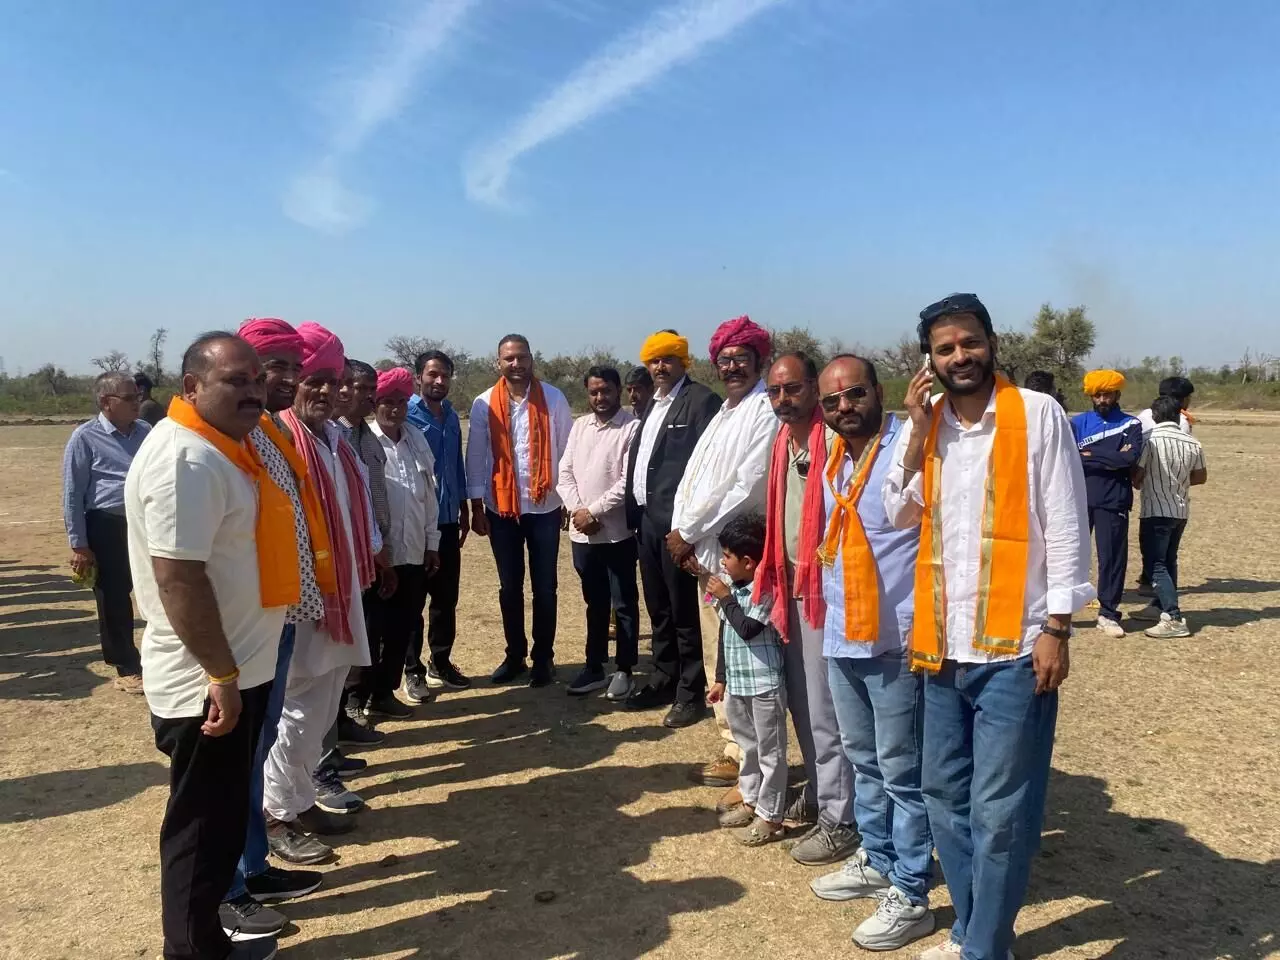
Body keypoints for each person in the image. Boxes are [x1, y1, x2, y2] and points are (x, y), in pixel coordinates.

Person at [885, 293, 1093, 960]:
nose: (960, 357)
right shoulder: (929, 426)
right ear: (929, 360)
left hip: (1015, 649)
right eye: (944, 349)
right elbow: (896, 512)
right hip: (942, 648)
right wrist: (915, 430)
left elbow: (1066, 521)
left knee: (999, 811)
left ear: (992, 343)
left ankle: (985, 948)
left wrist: (1057, 626)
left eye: (969, 342)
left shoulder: (1035, 413)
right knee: (944, 796)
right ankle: (973, 930)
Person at [125, 331, 288, 960]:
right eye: (235, 381)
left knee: (218, 826)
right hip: (208, 685)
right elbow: (179, 579)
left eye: (257, 380)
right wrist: (220, 673)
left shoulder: (223, 449)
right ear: (192, 386)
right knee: (201, 832)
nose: (254, 392)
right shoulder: (185, 460)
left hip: (235, 674)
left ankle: (204, 944)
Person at [807, 355, 934, 952]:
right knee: (864, 759)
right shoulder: (835, 456)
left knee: (903, 771)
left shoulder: (909, 443)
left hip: (893, 638)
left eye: (854, 394)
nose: (844, 408)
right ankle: (878, 858)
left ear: (878, 392)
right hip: (844, 632)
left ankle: (911, 890)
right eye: (832, 401)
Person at [220, 318, 336, 937]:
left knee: (257, 746)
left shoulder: (269, 431)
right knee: (236, 758)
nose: (289, 377)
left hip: (279, 614)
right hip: (246, 623)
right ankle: (230, 888)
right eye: (276, 365)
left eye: (295, 365)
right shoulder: (227, 437)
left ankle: (253, 866)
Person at [263, 323, 377, 861]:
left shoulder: (333, 439)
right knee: (298, 708)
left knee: (324, 703)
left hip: (340, 591)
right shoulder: (280, 436)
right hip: (304, 599)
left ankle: (300, 799)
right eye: (316, 379)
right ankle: (274, 813)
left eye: (334, 381)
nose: (327, 391)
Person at [752, 352, 857, 867]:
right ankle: (818, 792)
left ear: (814, 388)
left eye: (792, 388)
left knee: (824, 710)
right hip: (790, 584)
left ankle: (842, 818)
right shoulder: (783, 442)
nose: (782, 399)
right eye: (774, 391)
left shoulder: (833, 439)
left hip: (825, 590)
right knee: (799, 701)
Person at [665, 316, 779, 735]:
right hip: (704, 551)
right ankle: (730, 739)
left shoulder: (764, 410)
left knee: (737, 652)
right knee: (718, 647)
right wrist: (681, 532)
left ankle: (740, 746)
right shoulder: (724, 412)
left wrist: (688, 533)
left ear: (759, 361)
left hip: (733, 554)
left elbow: (747, 487)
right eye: (725, 360)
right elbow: (693, 479)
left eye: (741, 358)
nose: (732, 367)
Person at [624, 330, 722, 722]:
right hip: (647, 521)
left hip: (678, 527)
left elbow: (708, 469)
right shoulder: (654, 402)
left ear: (684, 361)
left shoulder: (701, 401)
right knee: (659, 608)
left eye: (667, 359)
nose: (660, 367)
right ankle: (664, 677)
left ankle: (691, 691)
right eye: (654, 361)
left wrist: (688, 528)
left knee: (684, 612)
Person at [465, 334, 574, 687]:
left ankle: (544, 658)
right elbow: (477, 454)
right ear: (499, 362)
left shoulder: (554, 398)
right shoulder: (484, 403)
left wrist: (567, 498)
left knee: (545, 587)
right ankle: (515, 656)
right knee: (509, 587)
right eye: (509, 358)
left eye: (522, 357)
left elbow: (566, 451)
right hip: (501, 508)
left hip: (545, 506)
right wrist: (476, 504)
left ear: (531, 360)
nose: (516, 364)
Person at [355, 368, 441, 720]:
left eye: (401, 402)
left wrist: (432, 543)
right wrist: (377, 552)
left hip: (414, 551)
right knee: (370, 628)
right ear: (375, 403)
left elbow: (429, 495)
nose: (394, 409)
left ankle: (384, 694)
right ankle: (355, 699)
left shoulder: (416, 439)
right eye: (387, 401)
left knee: (403, 626)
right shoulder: (364, 441)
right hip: (378, 555)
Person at [62, 371, 151, 693]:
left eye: (137, 396)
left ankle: (162, 660)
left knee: (159, 589)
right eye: (128, 398)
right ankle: (126, 666)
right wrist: (79, 544)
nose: (136, 403)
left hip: (146, 522)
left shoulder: (146, 432)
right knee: (113, 597)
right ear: (105, 402)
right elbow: (73, 493)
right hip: (107, 524)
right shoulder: (84, 437)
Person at [556, 365, 641, 699]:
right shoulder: (580, 426)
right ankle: (594, 666)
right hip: (583, 535)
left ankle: (624, 669)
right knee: (595, 601)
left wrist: (593, 511)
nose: (600, 397)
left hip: (617, 533)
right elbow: (564, 473)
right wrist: (578, 511)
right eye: (594, 392)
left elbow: (627, 482)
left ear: (618, 391)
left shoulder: (631, 428)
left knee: (624, 602)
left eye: (606, 391)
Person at [704, 514, 788, 846]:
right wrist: (720, 679)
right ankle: (751, 799)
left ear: (749, 562)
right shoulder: (732, 588)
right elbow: (726, 633)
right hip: (737, 684)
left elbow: (748, 629)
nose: (722, 563)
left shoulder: (764, 589)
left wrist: (726, 597)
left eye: (727, 556)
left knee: (771, 751)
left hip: (764, 684)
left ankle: (771, 816)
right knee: (748, 746)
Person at [338, 359, 405, 724]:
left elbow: (376, 501)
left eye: (370, 389)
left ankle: (373, 695)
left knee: (375, 629)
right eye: (360, 388)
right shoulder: (334, 436)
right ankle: (348, 706)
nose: (367, 396)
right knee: (350, 635)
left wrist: (384, 554)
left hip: (376, 551)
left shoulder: (368, 438)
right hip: (347, 555)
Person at [405, 349, 471, 695]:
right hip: (418, 521)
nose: (439, 381)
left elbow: (455, 464)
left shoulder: (451, 415)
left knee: (446, 597)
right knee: (414, 599)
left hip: (447, 520)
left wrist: (463, 507)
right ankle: (412, 670)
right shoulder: (406, 414)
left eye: (445, 375)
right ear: (419, 377)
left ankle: (440, 662)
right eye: (433, 374)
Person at [1072, 370, 1143, 639]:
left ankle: (1109, 613)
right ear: (1091, 396)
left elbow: (1128, 459)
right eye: (1098, 395)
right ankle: (1062, 612)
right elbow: (1070, 457)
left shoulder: (1131, 424)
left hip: (1114, 500)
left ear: (1117, 394)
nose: (1103, 399)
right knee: (1069, 556)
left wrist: (1089, 454)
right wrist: (1110, 456)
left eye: (1108, 394)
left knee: (1112, 558)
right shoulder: (1077, 423)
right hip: (1077, 499)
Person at [1130, 395, 1207, 639]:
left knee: (1155, 564)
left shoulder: (1150, 440)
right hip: (1180, 511)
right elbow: (1200, 477)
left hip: (1156, 510)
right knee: (1169, 560)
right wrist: (1178, 482)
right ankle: (1159, 606)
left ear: (1154, 416)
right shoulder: (1192, 442)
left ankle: (1173, 617)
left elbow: (1137, 477)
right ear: (1178, 415)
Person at [1135, 376, 1195, 595]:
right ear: (1182, 399)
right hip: (1170, 490)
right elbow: (1182, 459)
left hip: (1148, 484)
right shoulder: (1181, 422)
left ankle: (1148, 578)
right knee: (1166, 550)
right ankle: (1165, 598)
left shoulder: (1142, 416)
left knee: (1149, 538)